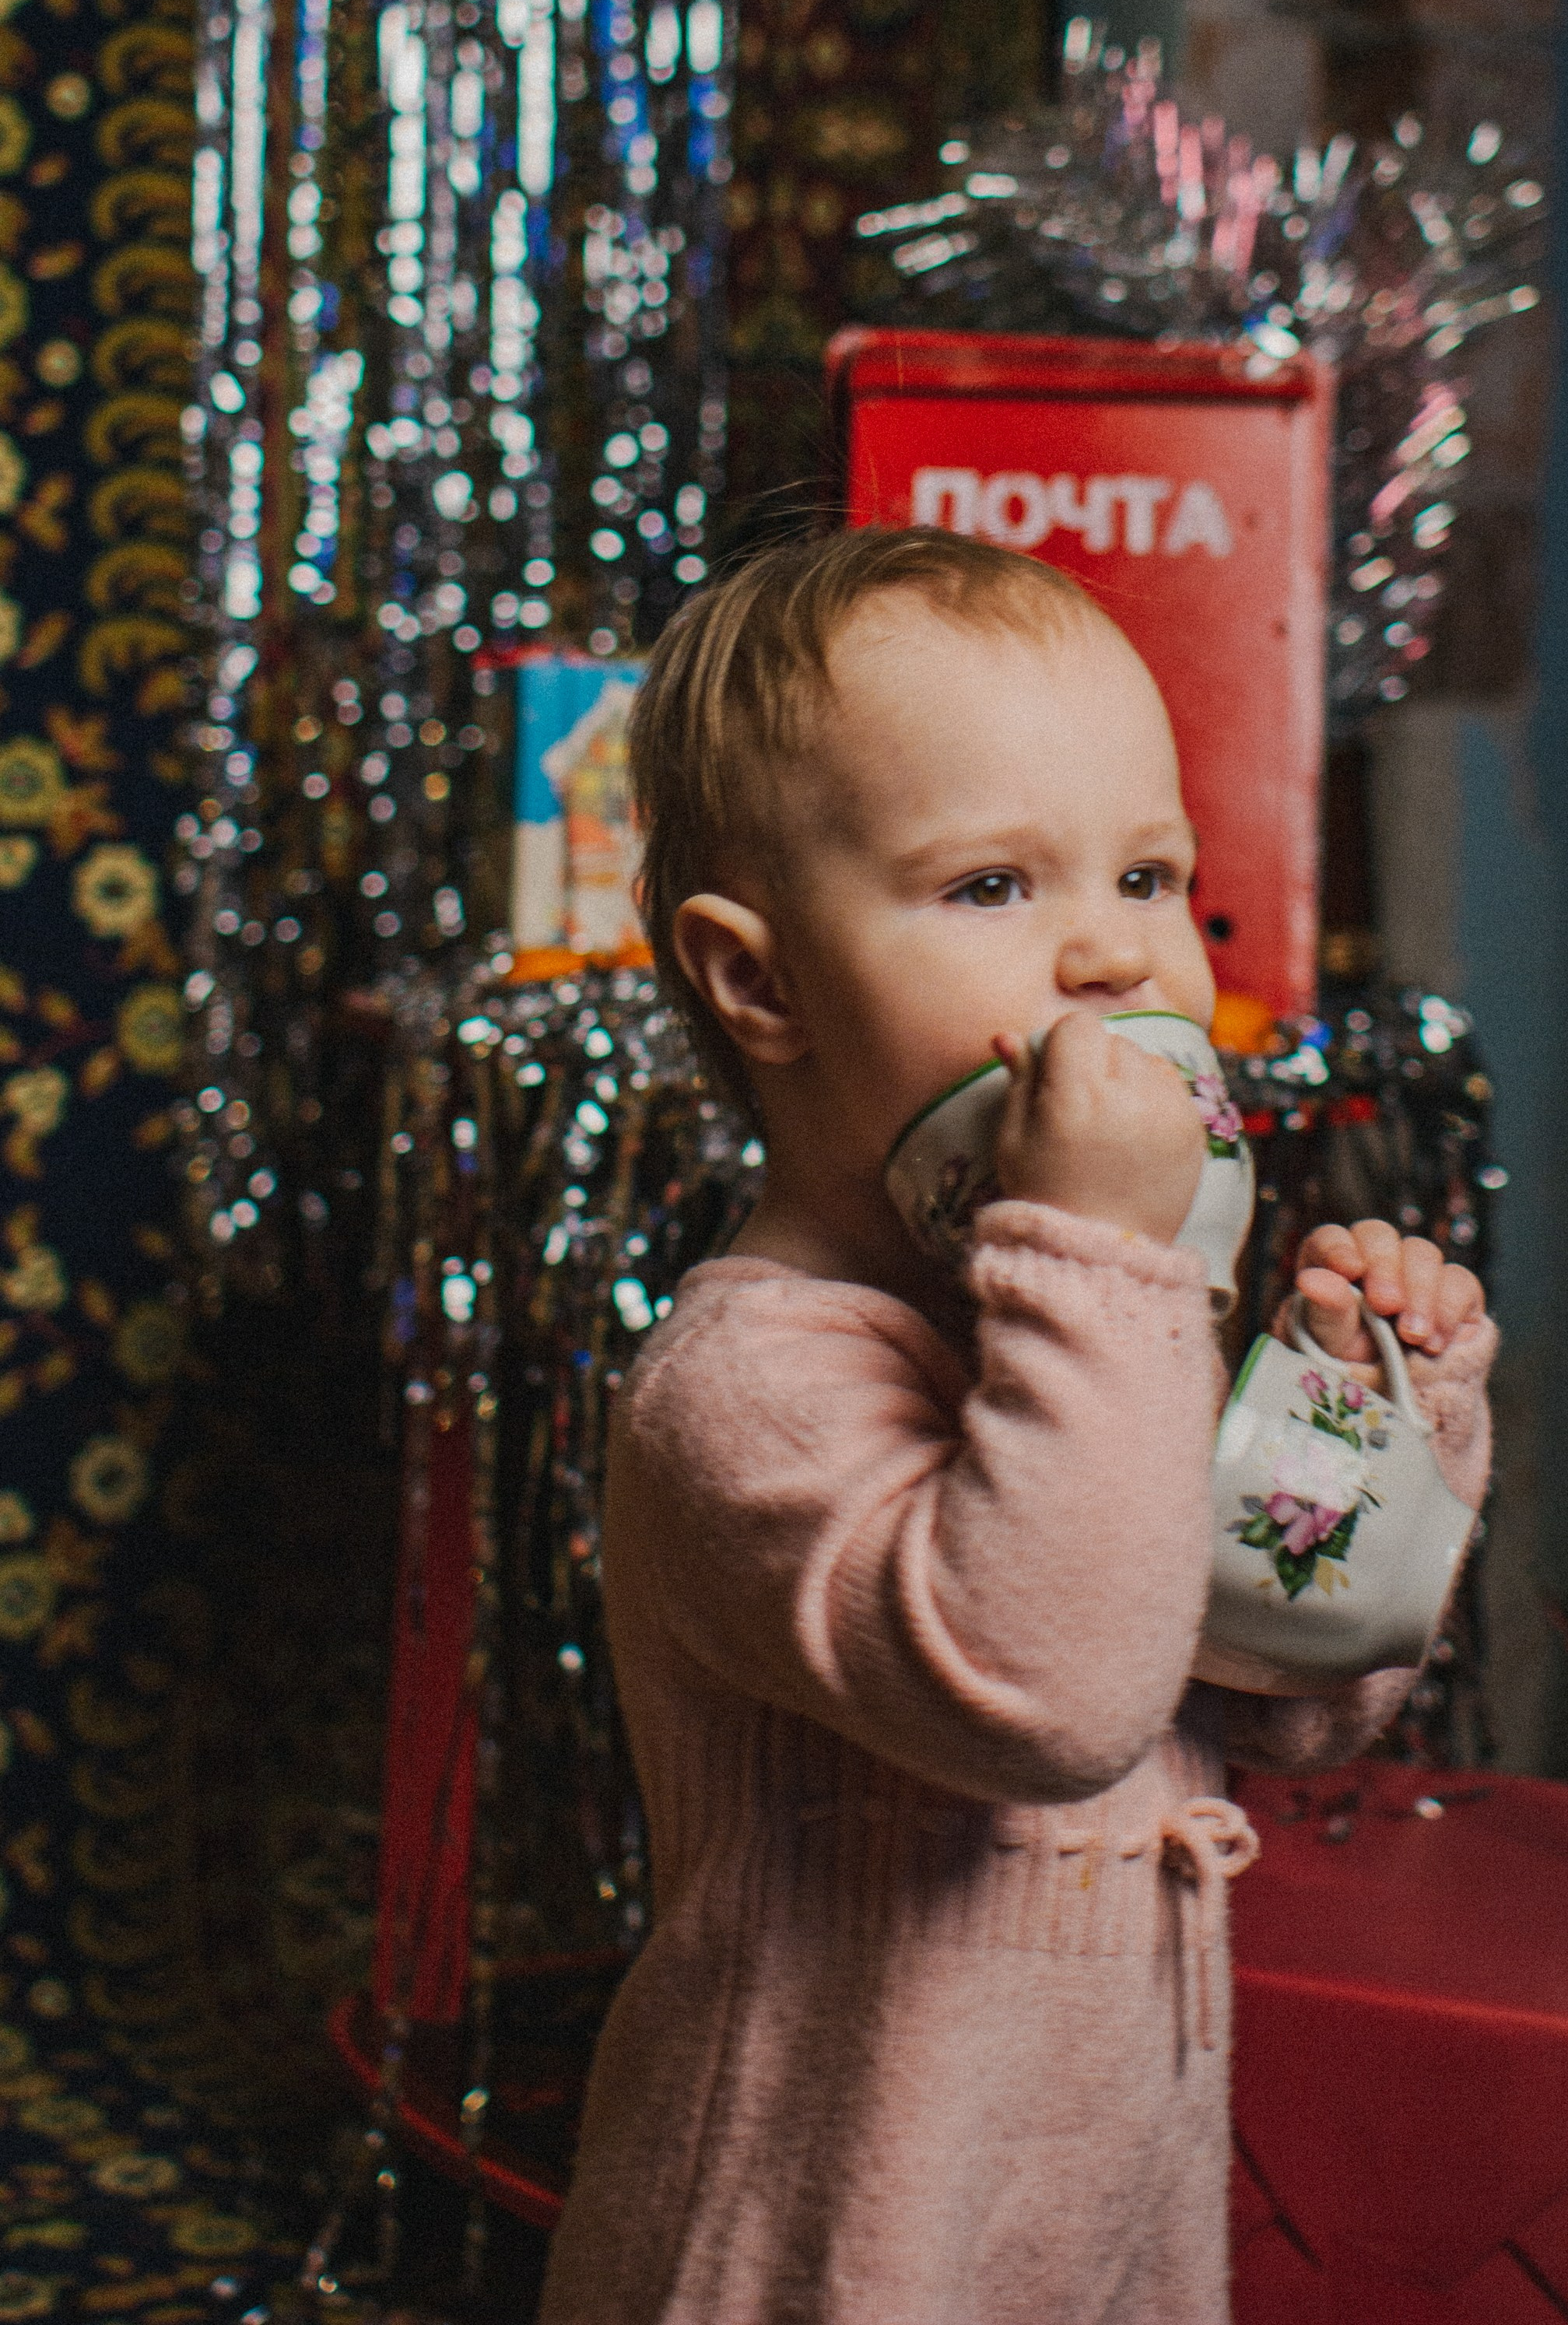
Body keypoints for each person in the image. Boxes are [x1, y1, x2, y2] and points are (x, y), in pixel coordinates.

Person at [539, 527, 1496, 2325]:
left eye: (1150, 878)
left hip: (1102, 2225)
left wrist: (1365, 1407)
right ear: (760, 986)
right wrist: (1104, 1269)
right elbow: (1054, 1694)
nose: (1109, 960)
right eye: (990, 888)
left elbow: (1295, 1692)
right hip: (820, 2248)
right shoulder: (745, 1392)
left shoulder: (1077, 1317)